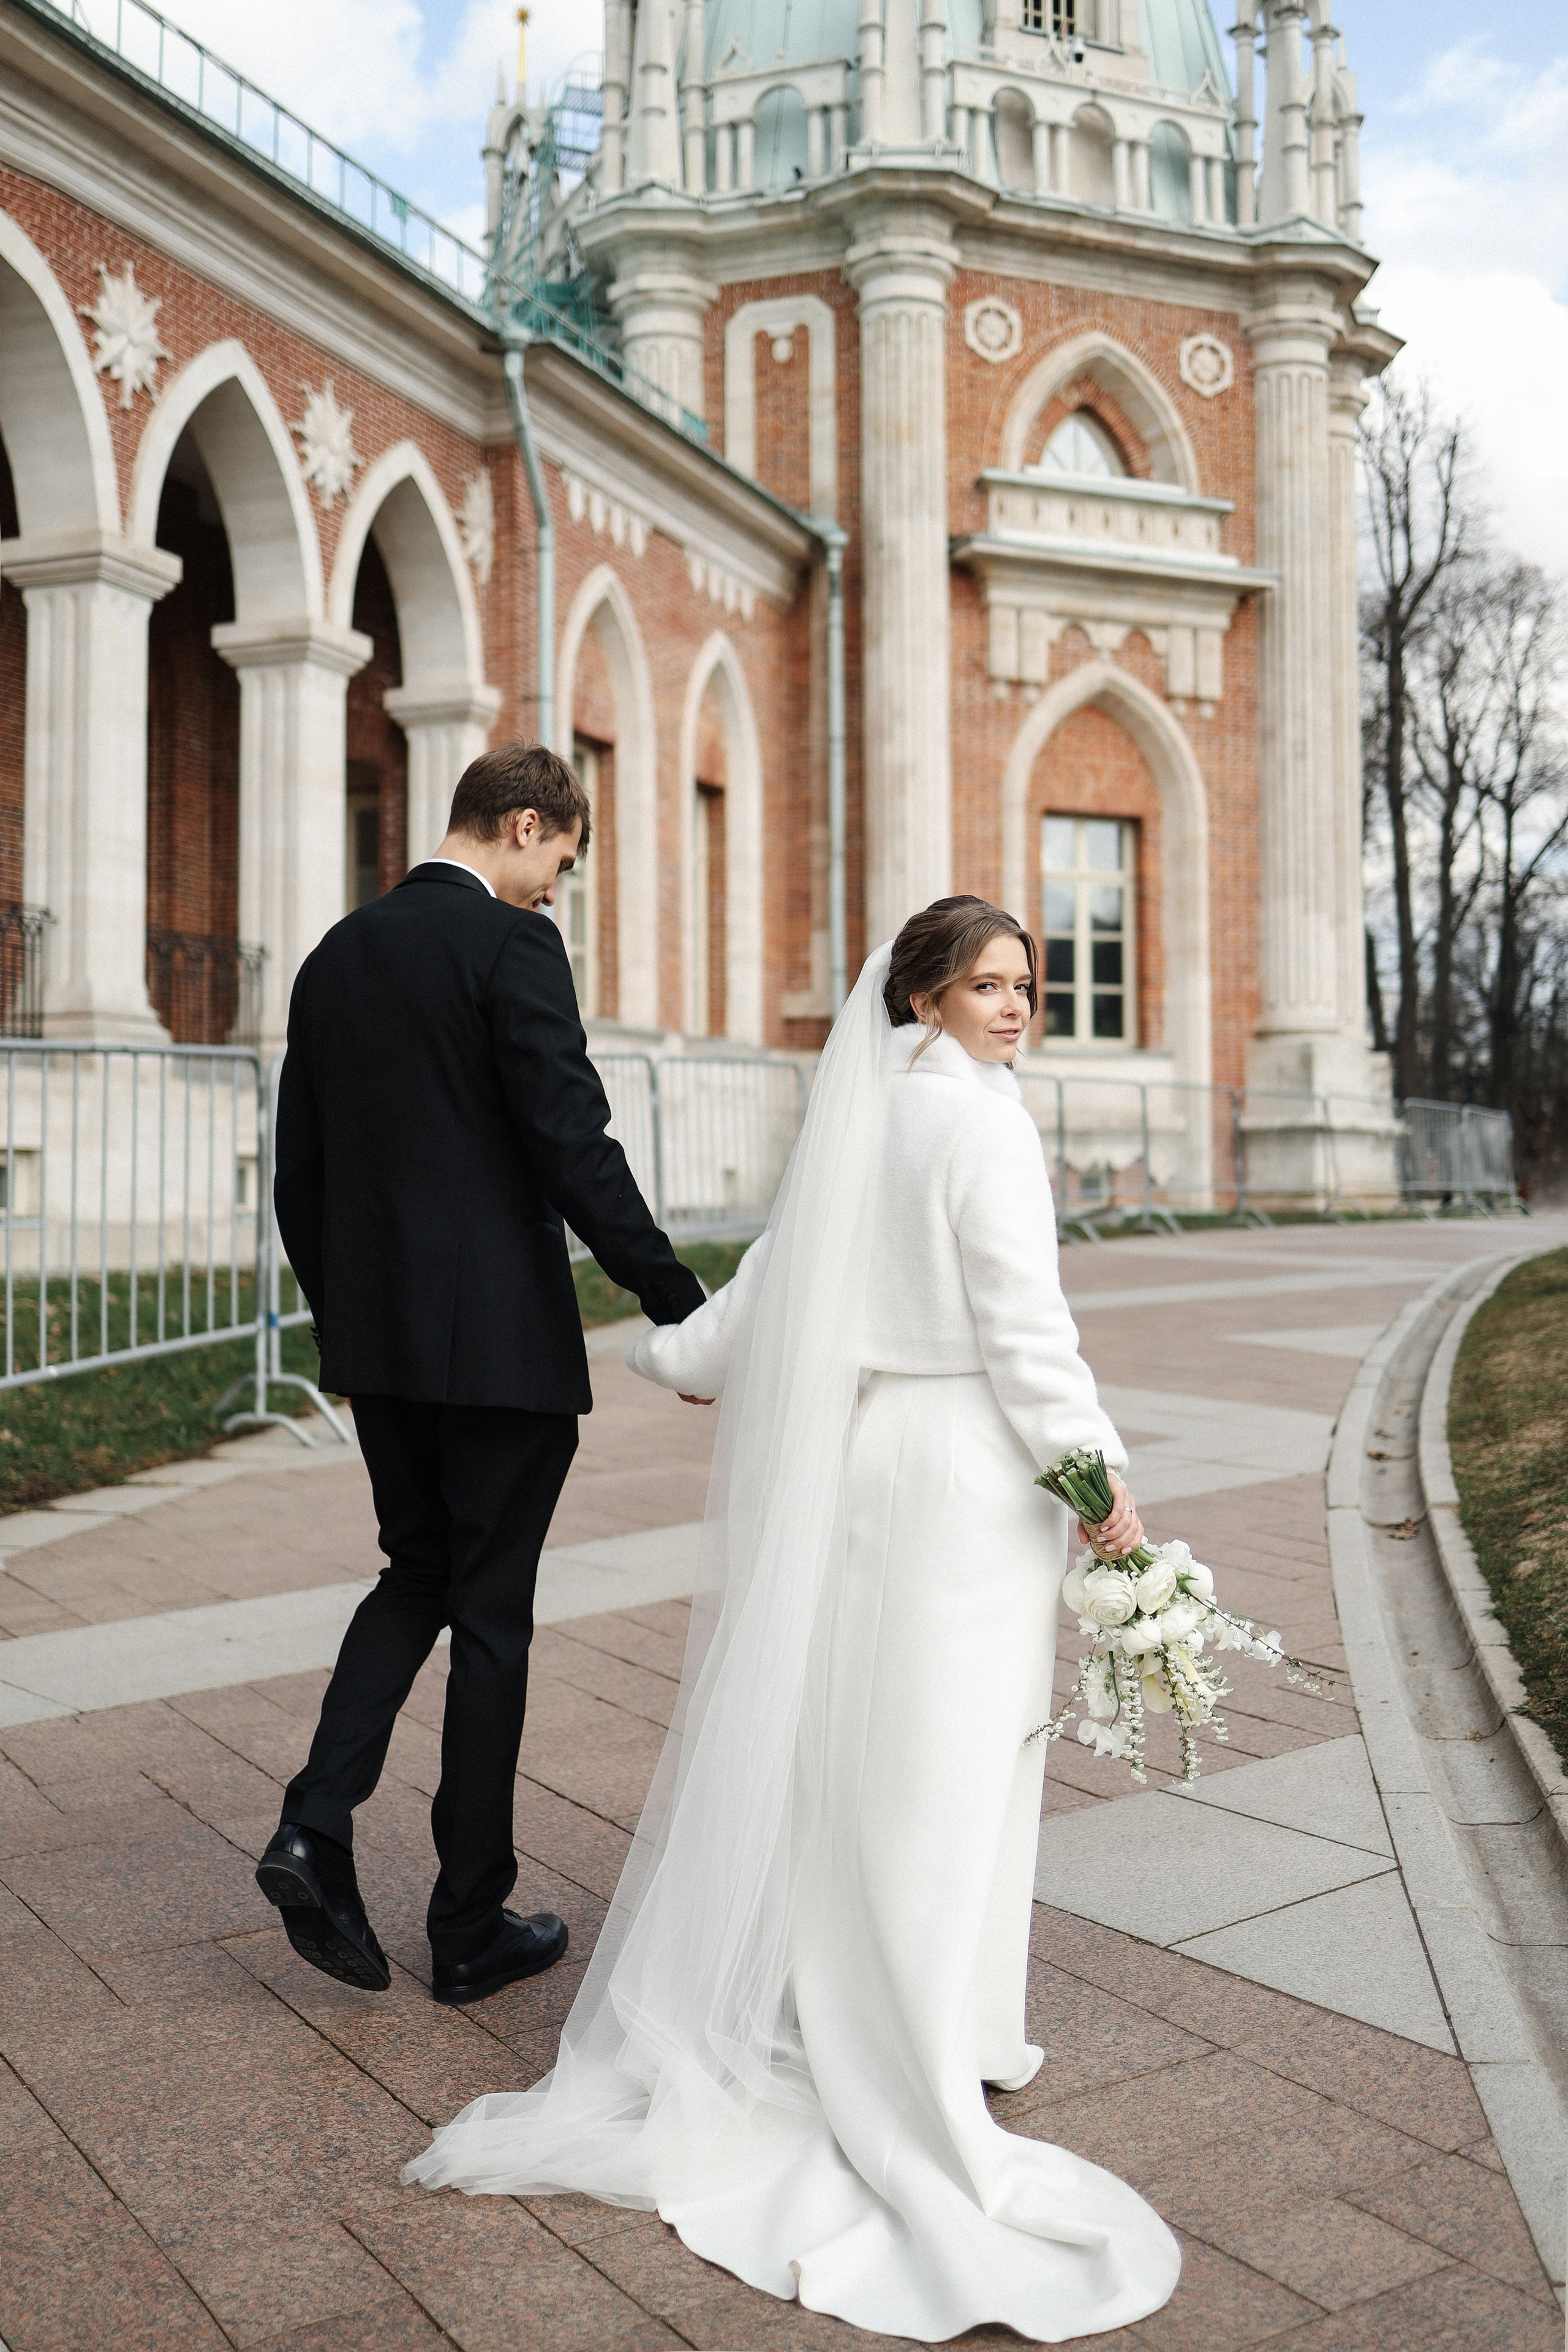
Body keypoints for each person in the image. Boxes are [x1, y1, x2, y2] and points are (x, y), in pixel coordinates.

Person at [403, 896, 1181, 2340]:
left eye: (1027, 985)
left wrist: (668, 1354)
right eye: (988, 985)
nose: (1016, 1007)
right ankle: (924, 2044)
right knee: (947, 1772)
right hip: (964, 1480)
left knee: (869, 1763)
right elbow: (1026, 1336)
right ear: (925, 996)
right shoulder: (982, 1129)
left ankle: (883, 2019)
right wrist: (1101, 1495)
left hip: (868, 1472)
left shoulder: (864, 1120)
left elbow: (765, 1297)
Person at [254, 743, 706, 2008]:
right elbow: (572, 1140)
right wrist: (679, 1304)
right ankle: (468, 1924)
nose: (551, 893)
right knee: (490, 1622)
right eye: (555, 868)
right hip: (500, 1352)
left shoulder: (336, 954)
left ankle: (314, 1824)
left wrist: (352, 1320)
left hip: (380, 1347)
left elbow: (303, 1174)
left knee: (416, 1574)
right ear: (522, 824)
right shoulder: (511, 949)